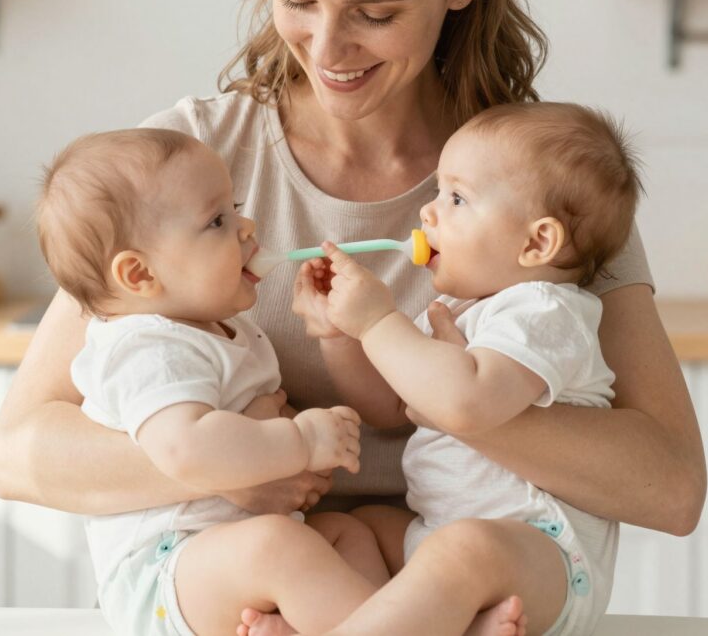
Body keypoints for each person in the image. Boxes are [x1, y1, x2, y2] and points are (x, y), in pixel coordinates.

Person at [0, 0, 705, 621]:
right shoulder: (188, 164)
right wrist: (244, 466)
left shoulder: (536, 180)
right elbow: (19, 453)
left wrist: (452, 396)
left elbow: (670, 486)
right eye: (297, 0)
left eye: (374, 12)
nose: (327, 48)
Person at [263, 101, 640, 636]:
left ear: (537, 242)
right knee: (348, 531)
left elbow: (464, 404)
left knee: (463, 552)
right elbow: (391, 405)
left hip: (540, 551)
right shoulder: (461, 311)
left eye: (457, 198)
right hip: (441, 534)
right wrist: (342, 335)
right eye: (438, 192)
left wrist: (377, 322)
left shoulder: (546, 312)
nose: (429, 212)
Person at [36, 128, 386, 635]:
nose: (247, 227)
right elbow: (186, 449)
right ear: (139, 275)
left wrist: (294, 428)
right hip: (165, 572)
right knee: (280, 549)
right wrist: (300, 440)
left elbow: (244, 413)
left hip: (228, 556)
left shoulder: (217, 327)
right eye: (217, 221)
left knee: (346, 536)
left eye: (234, 208)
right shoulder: (146, 348)